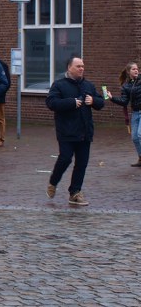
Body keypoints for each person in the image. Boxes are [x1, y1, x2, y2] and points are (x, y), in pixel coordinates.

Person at [45, 56, 104, 206]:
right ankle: (53, 182)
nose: (81, 69)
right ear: (69, 67)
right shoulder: (59, 85)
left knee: (81, 163)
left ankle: (75, 193)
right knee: (65, 158)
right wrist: (71, 102)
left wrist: (94, 101)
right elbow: (51, 103)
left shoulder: (88, 85)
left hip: (85, 131)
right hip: (66, 131)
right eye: (78, 66)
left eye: (83, 66)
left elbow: (101, 102)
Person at [106, 60, 141, 166]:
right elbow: (124, 102)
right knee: (134, 137)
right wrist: (112, 98)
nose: (136, 70)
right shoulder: (126, 86)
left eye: (137, 69)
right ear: (128, 71)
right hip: (135, 113)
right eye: (134, 69)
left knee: (140, 134)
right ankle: (140, 158)